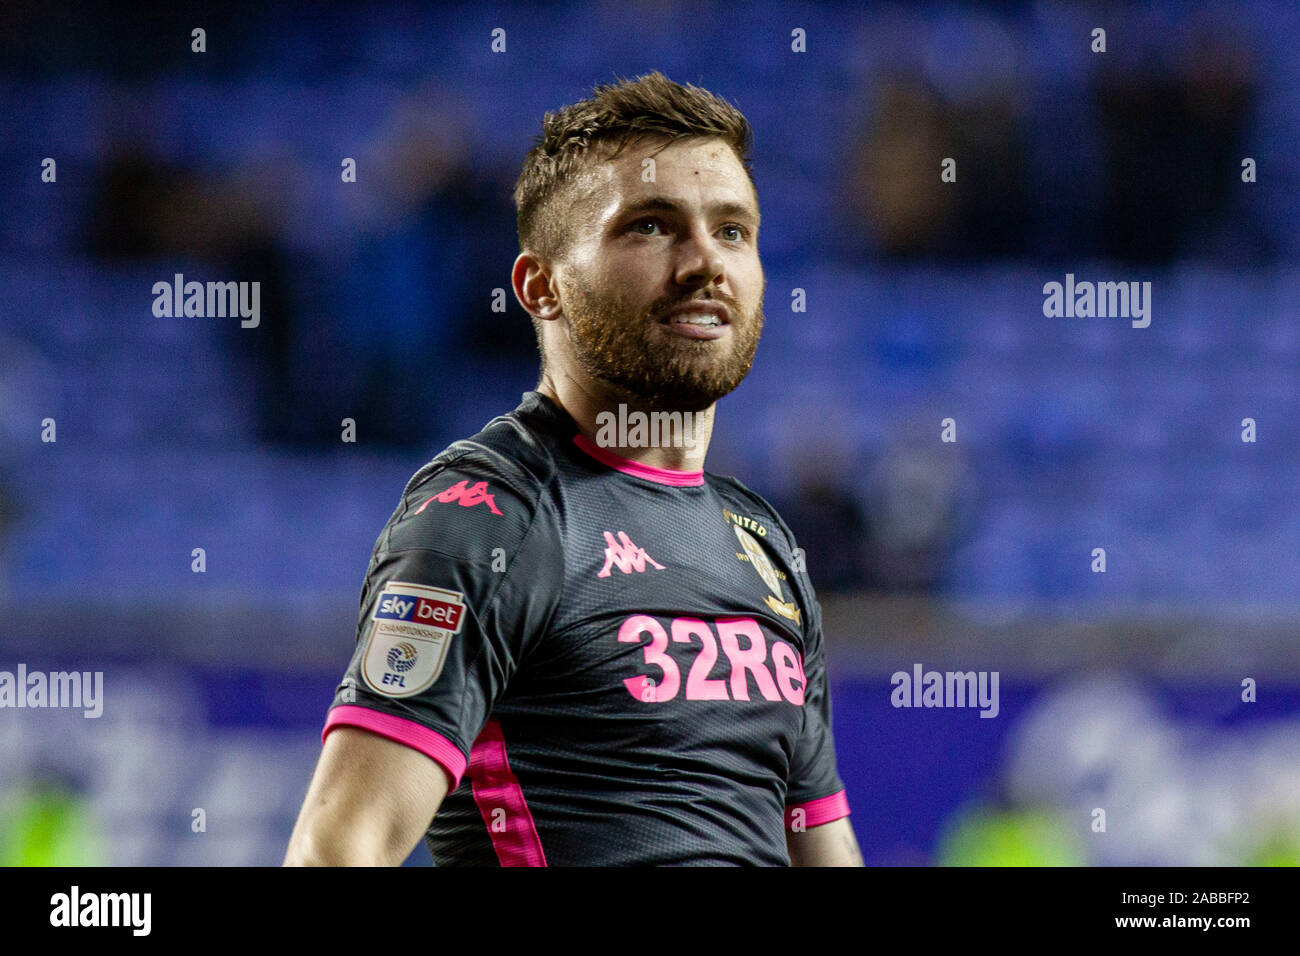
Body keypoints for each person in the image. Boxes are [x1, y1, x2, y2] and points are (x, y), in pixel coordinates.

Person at [285, 71, 861, 866]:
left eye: (733, 230)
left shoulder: (764, 546)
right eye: (652, 227)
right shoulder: (493, 516)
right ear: (541, 287)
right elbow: (338, 848)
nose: (705, 261)